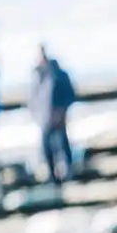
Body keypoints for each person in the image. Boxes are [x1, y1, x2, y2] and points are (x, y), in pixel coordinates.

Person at [30, 47, 76, 185]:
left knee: (62, 146)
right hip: (44, 119)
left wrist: (62, 110)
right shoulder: (37, 77)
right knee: (46, 149)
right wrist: (37, 116)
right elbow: (33, 99)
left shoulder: (58, 74)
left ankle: (68, 175)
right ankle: (52, 177)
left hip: (58, 117)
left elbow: (70, 94)